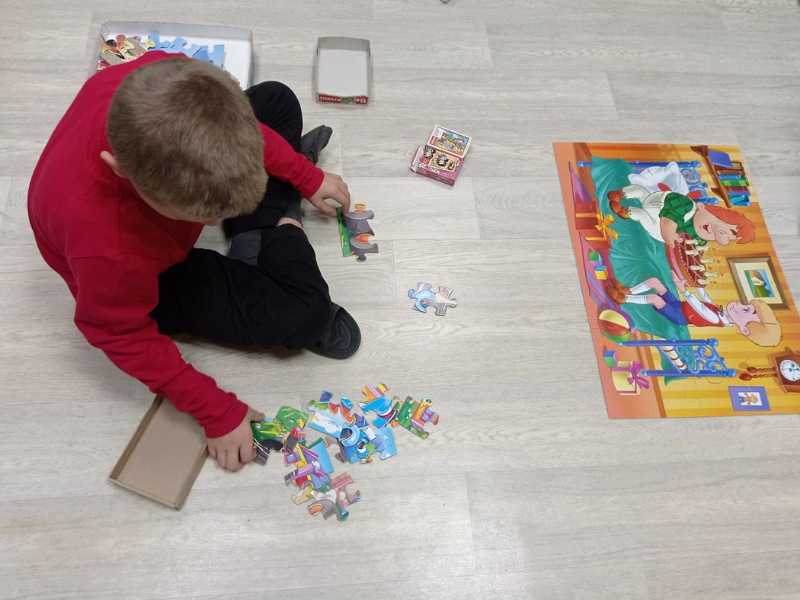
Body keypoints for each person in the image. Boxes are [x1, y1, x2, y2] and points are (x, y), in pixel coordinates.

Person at [27, 50, 360, 472]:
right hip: (148, 277)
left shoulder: (157, 76)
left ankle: (259, 227)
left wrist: (305, 175)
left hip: (156, 200)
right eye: (202, 217)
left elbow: (244, 130)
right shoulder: (109, 251)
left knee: (276, 100)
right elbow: (114, 332)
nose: (210, 225)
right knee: (307, 314)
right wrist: (215, 410)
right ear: (119, 169)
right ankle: (279, 223)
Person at [605, 276, 781, 347]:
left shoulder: (716, 319)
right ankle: (627, 291)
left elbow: (700, 308)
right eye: (746, 305)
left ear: (744, 329)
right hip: (680, 305)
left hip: (680, 315)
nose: (739, 305)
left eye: (745, 310)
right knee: (654, 282)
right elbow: (706, 299)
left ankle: (623, 299)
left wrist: (685, 291)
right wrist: (699, 285)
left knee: (655, 299)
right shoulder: (720, 312)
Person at [608, 185, 755, 248]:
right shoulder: (687, 206)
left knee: (644, 216)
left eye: (731, 236)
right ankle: (622, 193)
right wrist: (670, 235)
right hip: (660, 206)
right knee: (643, 194)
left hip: (657, 229)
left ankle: (627, 211)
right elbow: (668, 221)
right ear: (702, 207)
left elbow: (691, 246)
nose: (712, 230)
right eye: (717, 219)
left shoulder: (700, 238)